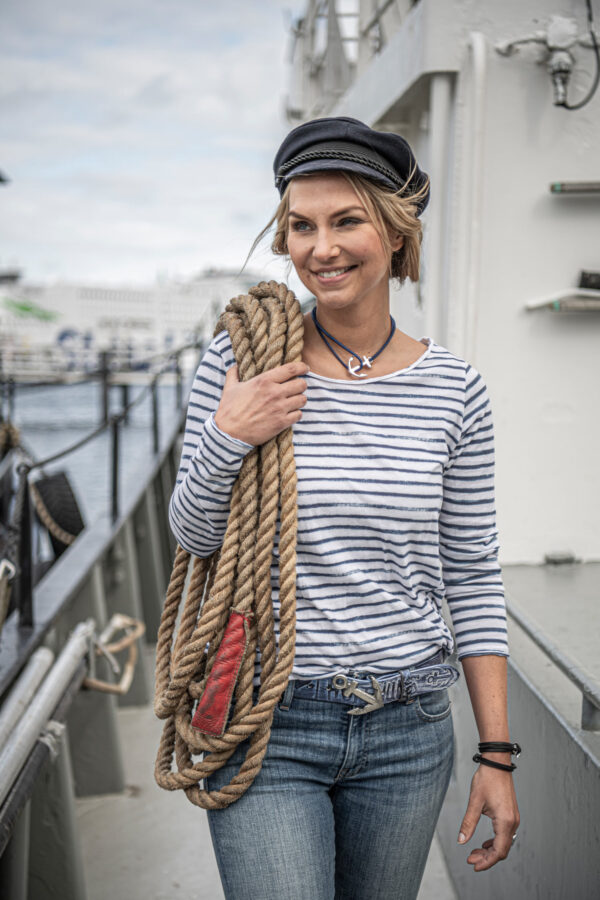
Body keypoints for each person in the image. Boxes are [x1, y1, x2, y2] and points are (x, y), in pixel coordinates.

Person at [168, 116, 520, 900]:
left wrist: (495, 753)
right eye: (301, 225)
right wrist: (231, 432)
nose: (320, 247)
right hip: (267, 716)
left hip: (408, 726)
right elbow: (191, 533)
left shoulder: (454, 390)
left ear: (396, 232)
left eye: (346, 221)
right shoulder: (243, 357)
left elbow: (472, 575)